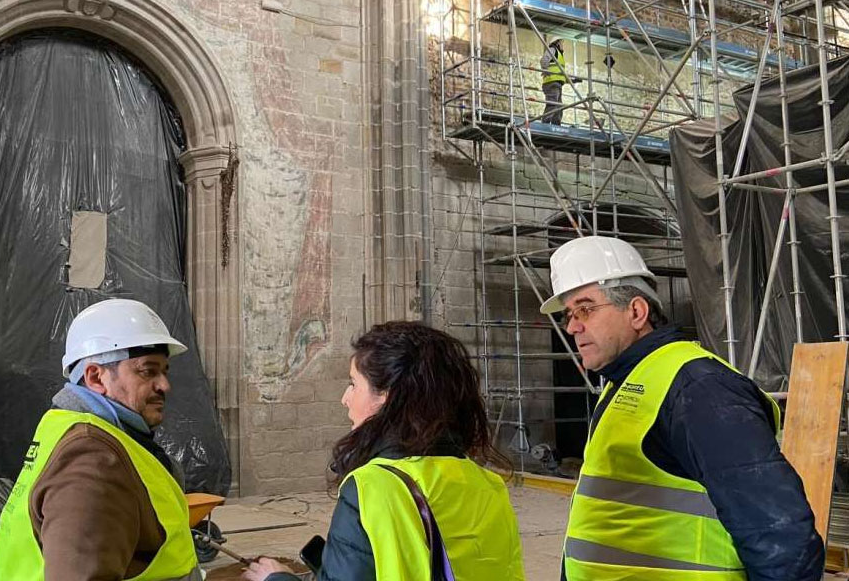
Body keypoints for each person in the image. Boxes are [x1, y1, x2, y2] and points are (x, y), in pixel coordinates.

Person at [543, 236, 825, 580]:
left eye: (585, 308)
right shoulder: (625, 384)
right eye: (569, 314)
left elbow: (780, 532)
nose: (572, 326)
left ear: (636, 311)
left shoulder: (698, 387)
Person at [243, 321, 525, 581]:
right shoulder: (489, 485)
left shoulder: (371, 487)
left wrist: (276, 577)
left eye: (354, 384)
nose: (345, 399)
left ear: (386, 396)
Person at [0, 298, 202, 580]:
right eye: (147, 370)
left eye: (164, 371)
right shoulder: (91, 460)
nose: (164, 385)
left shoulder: (75, 430)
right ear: (95, 377)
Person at [540, 38, 579, 125]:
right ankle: (545, 123)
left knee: (559, 106)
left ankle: (556, 125)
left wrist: (572, 81)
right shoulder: (553, 50)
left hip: (556, 83)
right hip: (551, 83)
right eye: (561, 43)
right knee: (553, 104)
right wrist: (546, 71)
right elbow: (543, 61)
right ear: (557, 43)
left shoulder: (559, 55)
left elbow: (560, 75)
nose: (562, 45)